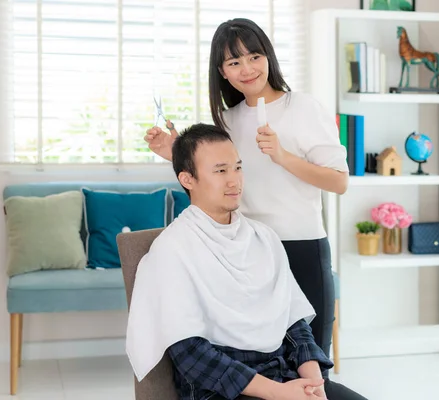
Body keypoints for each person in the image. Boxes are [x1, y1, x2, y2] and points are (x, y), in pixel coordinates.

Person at [144, 18, 348, 369]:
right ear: (222, 72)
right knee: (266, 364)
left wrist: (282, 156)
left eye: (253, 56)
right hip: (247, 254)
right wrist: (173, 153)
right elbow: (214, 180)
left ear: (268, 56)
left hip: (301, 246)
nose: (247, 69)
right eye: (234, 62)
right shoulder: (227, 120)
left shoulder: (303, 107)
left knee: (312, 363)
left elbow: (339, 182)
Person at [127, 123, 366, 400]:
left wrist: (314, 382)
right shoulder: (172, 250)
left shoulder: (263, 237)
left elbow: (294, 323)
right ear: (187, 179)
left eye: (237, 168)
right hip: (219, 391)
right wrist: (277, 393)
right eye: (220, 171)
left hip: (282, 375)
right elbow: (191, 354)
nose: (234, 181)